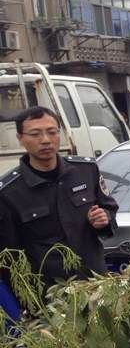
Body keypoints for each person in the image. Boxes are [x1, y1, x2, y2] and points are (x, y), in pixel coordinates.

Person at [0, 106, 118, 294]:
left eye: (52, 132)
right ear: (20, 138)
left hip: (97, 286)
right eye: (35, 134)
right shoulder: (9, 192)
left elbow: (109, 210)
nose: (45, 140)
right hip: (50, 296)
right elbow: (10, 259)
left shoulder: (86, 171)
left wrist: (104, 219)